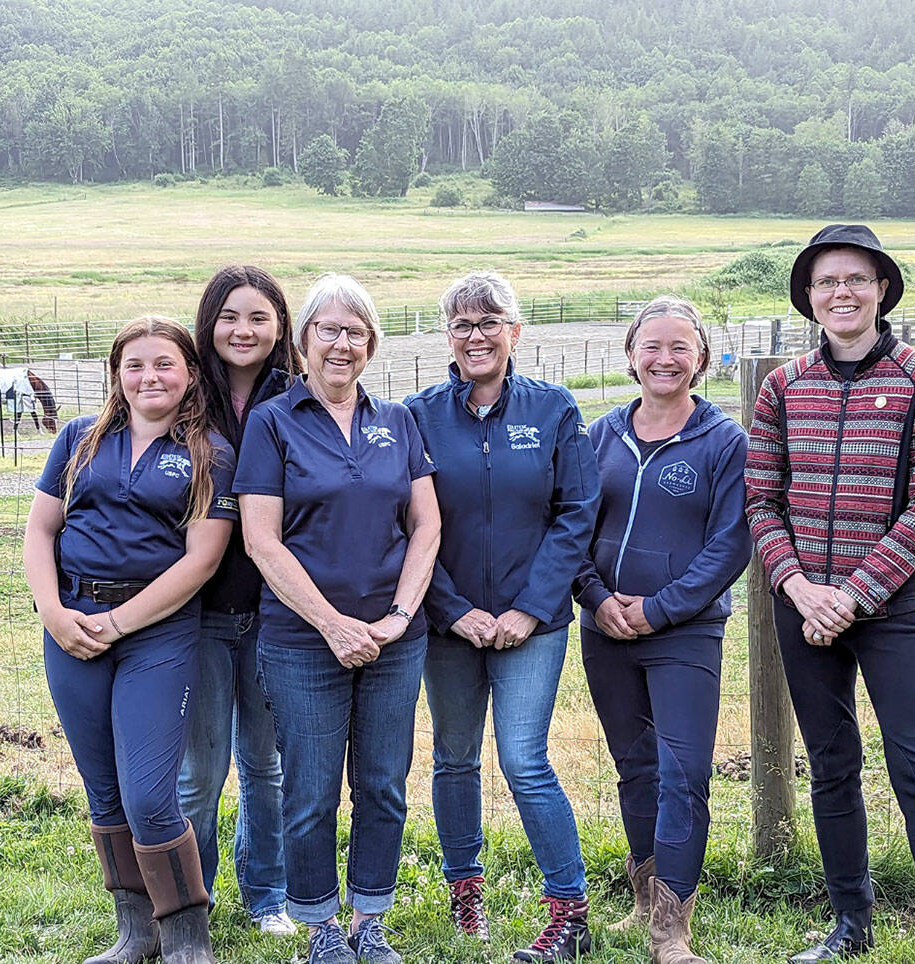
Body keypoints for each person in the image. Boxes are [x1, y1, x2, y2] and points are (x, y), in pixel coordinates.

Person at [745, 224, 915, 964]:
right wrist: (796, 586)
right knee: (831, 766)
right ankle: (850, 926)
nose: (840, 292)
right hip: (802, 607)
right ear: (809, 298)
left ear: (881, 288)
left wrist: (850, 595)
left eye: (855, 279)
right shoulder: (783, 387)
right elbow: (762, 500)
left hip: (893, 612)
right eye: (825, 282)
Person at [237, 274, 441, 964]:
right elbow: (261, 539)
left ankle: (369, 921)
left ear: (371, 343)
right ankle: (321, 927)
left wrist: (398, 615)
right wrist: (331, 624)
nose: (341, 344)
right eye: (328, 329)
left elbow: (427, 525)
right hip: (301, 640)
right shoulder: (273, 422)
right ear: (303, 341)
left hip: (394, 640)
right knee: (311, 790)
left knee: (383, 784)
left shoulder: (399, 421)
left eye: (355, 331)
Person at [24, 316, 238, 964]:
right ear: (117, 373)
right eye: (135, 364)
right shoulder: (77, 440)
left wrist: (119, 623)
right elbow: (39, 533)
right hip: (71, 627)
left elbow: (202, 560)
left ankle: (185, 939)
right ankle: (136, 933)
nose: (150, 376)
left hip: (157, 634)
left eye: (165, 363)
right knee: (105, 791)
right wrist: (55, 615)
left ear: (191, 373)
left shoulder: (210, 453)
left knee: (150, 794)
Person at [405, 270, 601, 963]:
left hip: (533, 626)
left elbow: (575, 515)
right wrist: (454, 610)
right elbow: (409, 523)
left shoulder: (553, 409)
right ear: (446, 336)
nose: (476, 335)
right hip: (447, 625)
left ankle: (570, 911)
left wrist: (527, 608)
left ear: (516, 331)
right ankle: (465, 897)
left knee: (523, 759)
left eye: (490, 321)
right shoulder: (418, 415)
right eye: (461, 323)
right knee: (454, 759)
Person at [573, 296, 751, 964]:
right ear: (630, 355)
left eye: (680, 347)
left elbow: (730, 544)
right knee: (636, 768)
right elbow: (574, 528)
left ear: (700, 358)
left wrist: (661, 608)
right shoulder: (601, 436)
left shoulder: (724, 441)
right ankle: (646, 901)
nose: (665, 359)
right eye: (652, 346)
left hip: (685, 634)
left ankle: (672, 931)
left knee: (683, 772)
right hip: (606, 630)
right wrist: (595, 597)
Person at [177, 265, 303, 936]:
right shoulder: (186, 396)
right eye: (230, 316)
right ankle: (188, 899)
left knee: (266, 764)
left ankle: (268, 896)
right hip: (195, 615)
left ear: (280, 325)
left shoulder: (300, 398)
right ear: (209, 324)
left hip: (275, 616)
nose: (243, 330)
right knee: (199, 772)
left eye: (258, 317)